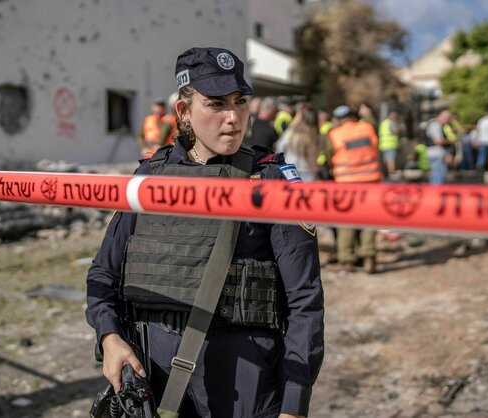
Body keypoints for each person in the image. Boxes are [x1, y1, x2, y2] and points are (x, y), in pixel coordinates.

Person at [87, 47, 324, 418]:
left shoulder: (271, 181)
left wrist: (294, 405)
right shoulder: (151, 176)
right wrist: (110, 336)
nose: (233, 118)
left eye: (240, 101)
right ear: (184, 111)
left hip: (243, 376)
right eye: (215, 104)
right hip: (155, 370)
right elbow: (104, 272)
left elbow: (305, 301)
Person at [327, 105, 382, 273]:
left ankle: (347, 260)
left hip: (345, 182)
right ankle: (369, 259)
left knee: (346, 220)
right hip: (371, 180)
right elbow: (376, 146)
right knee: (369, 219)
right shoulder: (367, 127)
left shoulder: (335, 134)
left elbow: (329, 156)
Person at [277, 108, 320, 181]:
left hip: (290, 170)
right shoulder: (312, 134)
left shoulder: (290, 133)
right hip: (307, 171)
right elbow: (312, 157)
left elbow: (279, 148)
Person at [425, 110, 452, 185]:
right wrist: (451, 141)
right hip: (435, 153)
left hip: (437, 153)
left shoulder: (439, 125)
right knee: (438, 175)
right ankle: (435, 193)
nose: (447, 120)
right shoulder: (435, 125)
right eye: (446, 118)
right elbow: (438, 141)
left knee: (438, 174)